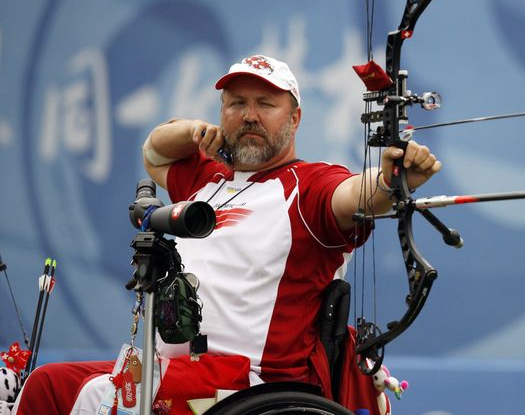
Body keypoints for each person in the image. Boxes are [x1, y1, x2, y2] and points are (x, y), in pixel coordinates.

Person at [13, 54, 441, 414]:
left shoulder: (309, 186)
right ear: (221, 114)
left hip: (250, 385)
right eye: (236, 103)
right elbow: (154, 152)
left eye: (265, 104)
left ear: (295, 117)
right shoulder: (208, 179)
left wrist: (390, 181)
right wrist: (191, 132)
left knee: (102, 397)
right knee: (44, 386)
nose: (249, 115)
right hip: (174, 371)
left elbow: (356, 196)